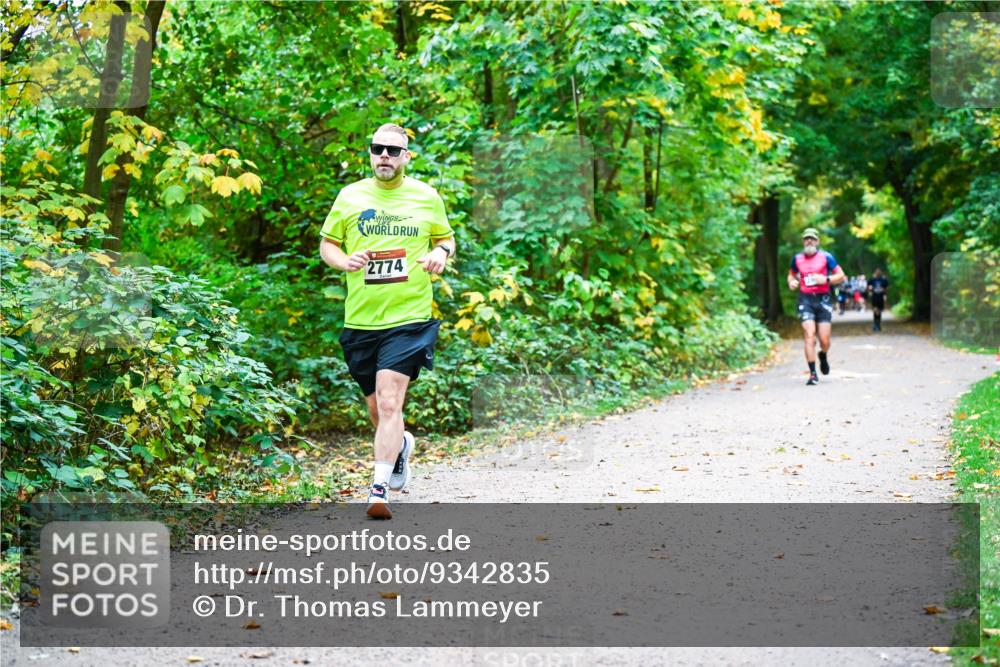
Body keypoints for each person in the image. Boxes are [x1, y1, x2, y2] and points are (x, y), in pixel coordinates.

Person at [319, 123, 456, 519]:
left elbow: (445, 238)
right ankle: (399, 450)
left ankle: (378, 490)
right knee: (378, 408)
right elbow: (328, 244)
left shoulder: (426, 197)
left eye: (393, 151)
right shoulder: (350, 197)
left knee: (392, 399)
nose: (384, 156)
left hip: (410, 316)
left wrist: (441, 255)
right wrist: (345, 261)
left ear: (406, 157)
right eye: (378, 148)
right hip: (361, 319)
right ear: (370, 153)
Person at [787, 228, 847, 385]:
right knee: (809, 335)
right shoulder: (797, 259)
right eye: (806, 239)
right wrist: (791, 282)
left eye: (812, 239)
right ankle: (813, 374)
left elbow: (841, 275)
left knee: (825, 340)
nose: (809, 241)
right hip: (805, 299)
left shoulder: (826, 257)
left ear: (817, 241)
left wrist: (825, 279)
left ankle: (823, 354)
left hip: (823, 300)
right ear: (803, 242)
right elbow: (791, 274)